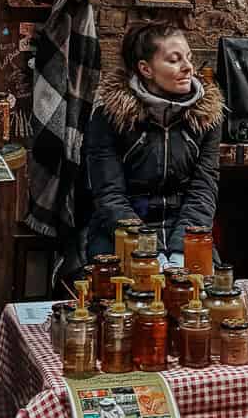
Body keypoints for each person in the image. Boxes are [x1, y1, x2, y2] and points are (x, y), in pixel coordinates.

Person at [85, 21, 223, 264]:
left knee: (205, 285)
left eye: (189, 58)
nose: (188, 67)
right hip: (122, 233)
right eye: (174, 60)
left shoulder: (207, 117)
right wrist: (150, 253)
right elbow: (109, 195)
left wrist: (181, 251)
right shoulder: (110, 117)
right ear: (146, 69)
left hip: (187, 231)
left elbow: (203, 189)